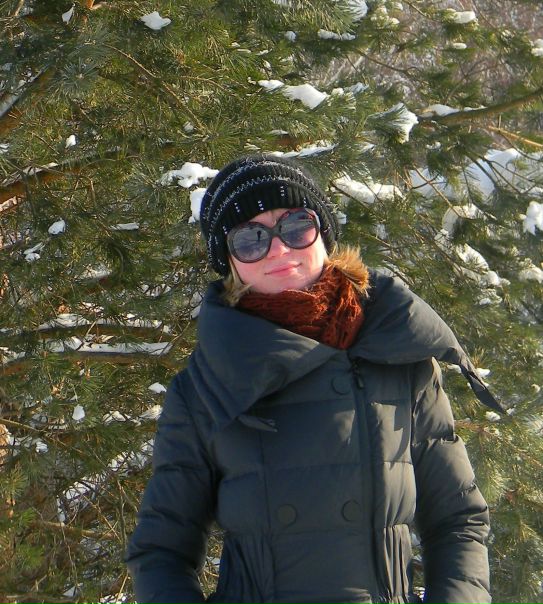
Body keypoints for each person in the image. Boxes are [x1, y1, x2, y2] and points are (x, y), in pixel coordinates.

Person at [126, 154, 503, 604]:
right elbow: (161, 552)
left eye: (295, 225)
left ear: (322, 232)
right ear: (229, 262)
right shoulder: (206, 387)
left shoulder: (397, 353)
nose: (279, 249)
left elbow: (457, 521)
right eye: (250, 238)